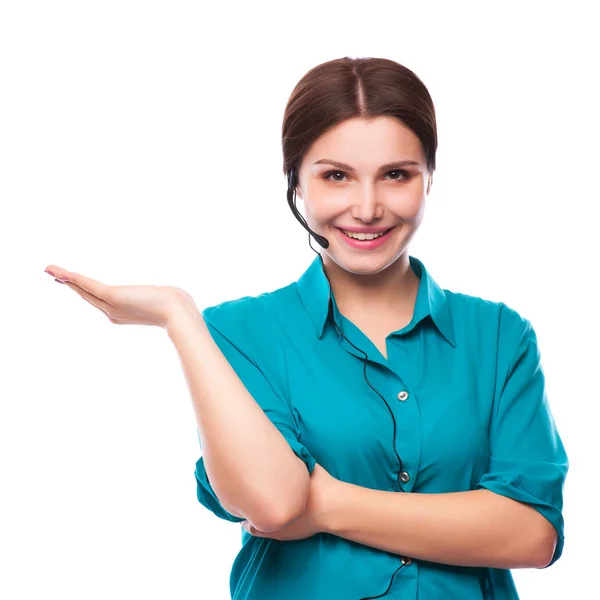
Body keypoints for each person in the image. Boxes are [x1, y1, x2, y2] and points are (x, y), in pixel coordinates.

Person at [44, 56, 568, 600]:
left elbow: (531, 535)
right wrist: (180, 316)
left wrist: (322, 503)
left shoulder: (502, 336)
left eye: (396, 175)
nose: (367, 208)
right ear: (296, 180)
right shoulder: (237, 334)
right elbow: (271, 503)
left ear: (430, 177)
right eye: (336, 176)